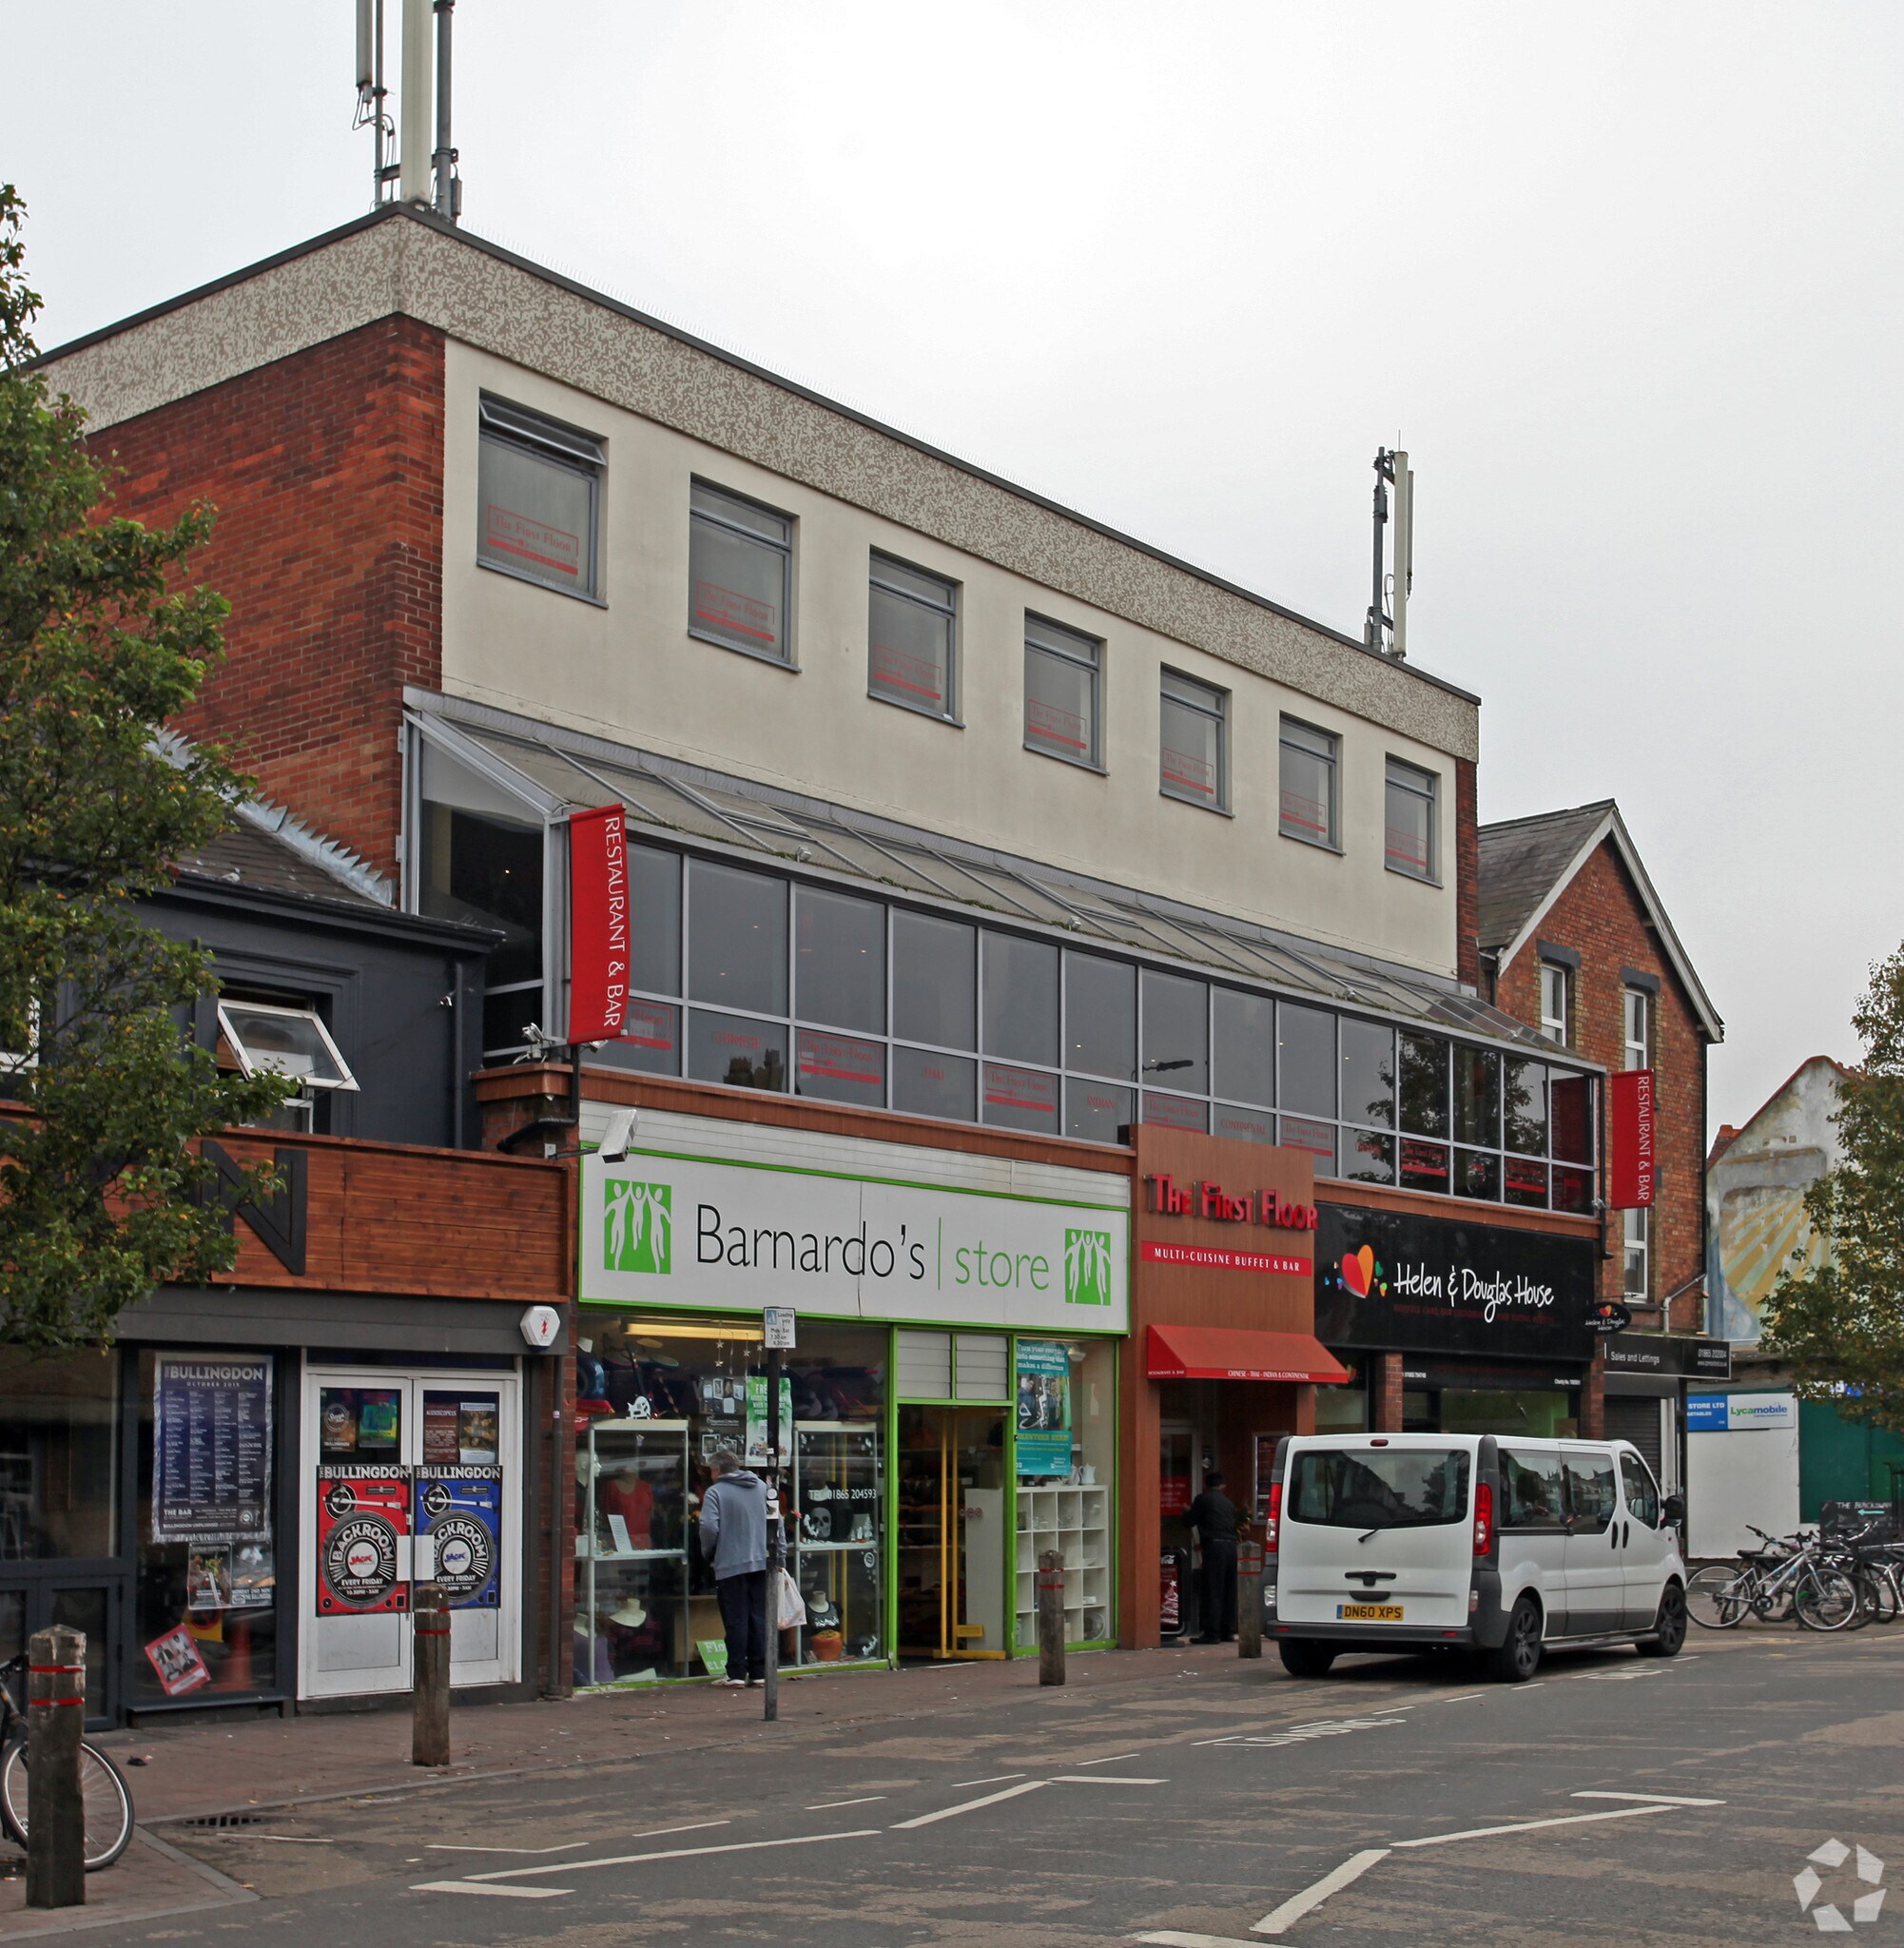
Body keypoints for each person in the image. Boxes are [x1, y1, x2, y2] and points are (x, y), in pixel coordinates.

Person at [698, 1448, 782, 1687]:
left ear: (716, 1470)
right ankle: (759, 1672)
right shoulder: (764, 1489)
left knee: (736, 1619)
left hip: (730, 1564)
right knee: (758, 1617)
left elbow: (708, 1527)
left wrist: (709, 1551)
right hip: (762, 1562)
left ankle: (736, 1672)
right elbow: (778, 1524)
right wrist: (780, 1557)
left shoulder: (715, 1492)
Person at [1185, 1468, 1238, 1643]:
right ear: (1222, 1486)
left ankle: (1212, 1633)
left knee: (1213, 1589)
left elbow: (1189, 1521)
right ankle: (1227, 1631)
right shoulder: (1228, 1502)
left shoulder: (1203, 1499)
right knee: (1229, 1589)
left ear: (1206, 1485)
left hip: (1215, 1548)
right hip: (1231, 1547)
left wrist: (1186, 1511)